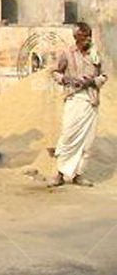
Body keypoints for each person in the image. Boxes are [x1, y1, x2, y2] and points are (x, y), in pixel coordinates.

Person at [48, 22, 107, 187]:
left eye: (89, 35)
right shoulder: (67, 53)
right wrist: (66, 79)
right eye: (84, 36)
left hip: (91, 100)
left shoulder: (96, 54)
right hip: (74, 99)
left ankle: (78, 175)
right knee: (68, 135)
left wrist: (93, 81)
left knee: (88, 141)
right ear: (76, 38)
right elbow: (55, 72)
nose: (88, 39)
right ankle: (60, 174)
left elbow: (104, 75)